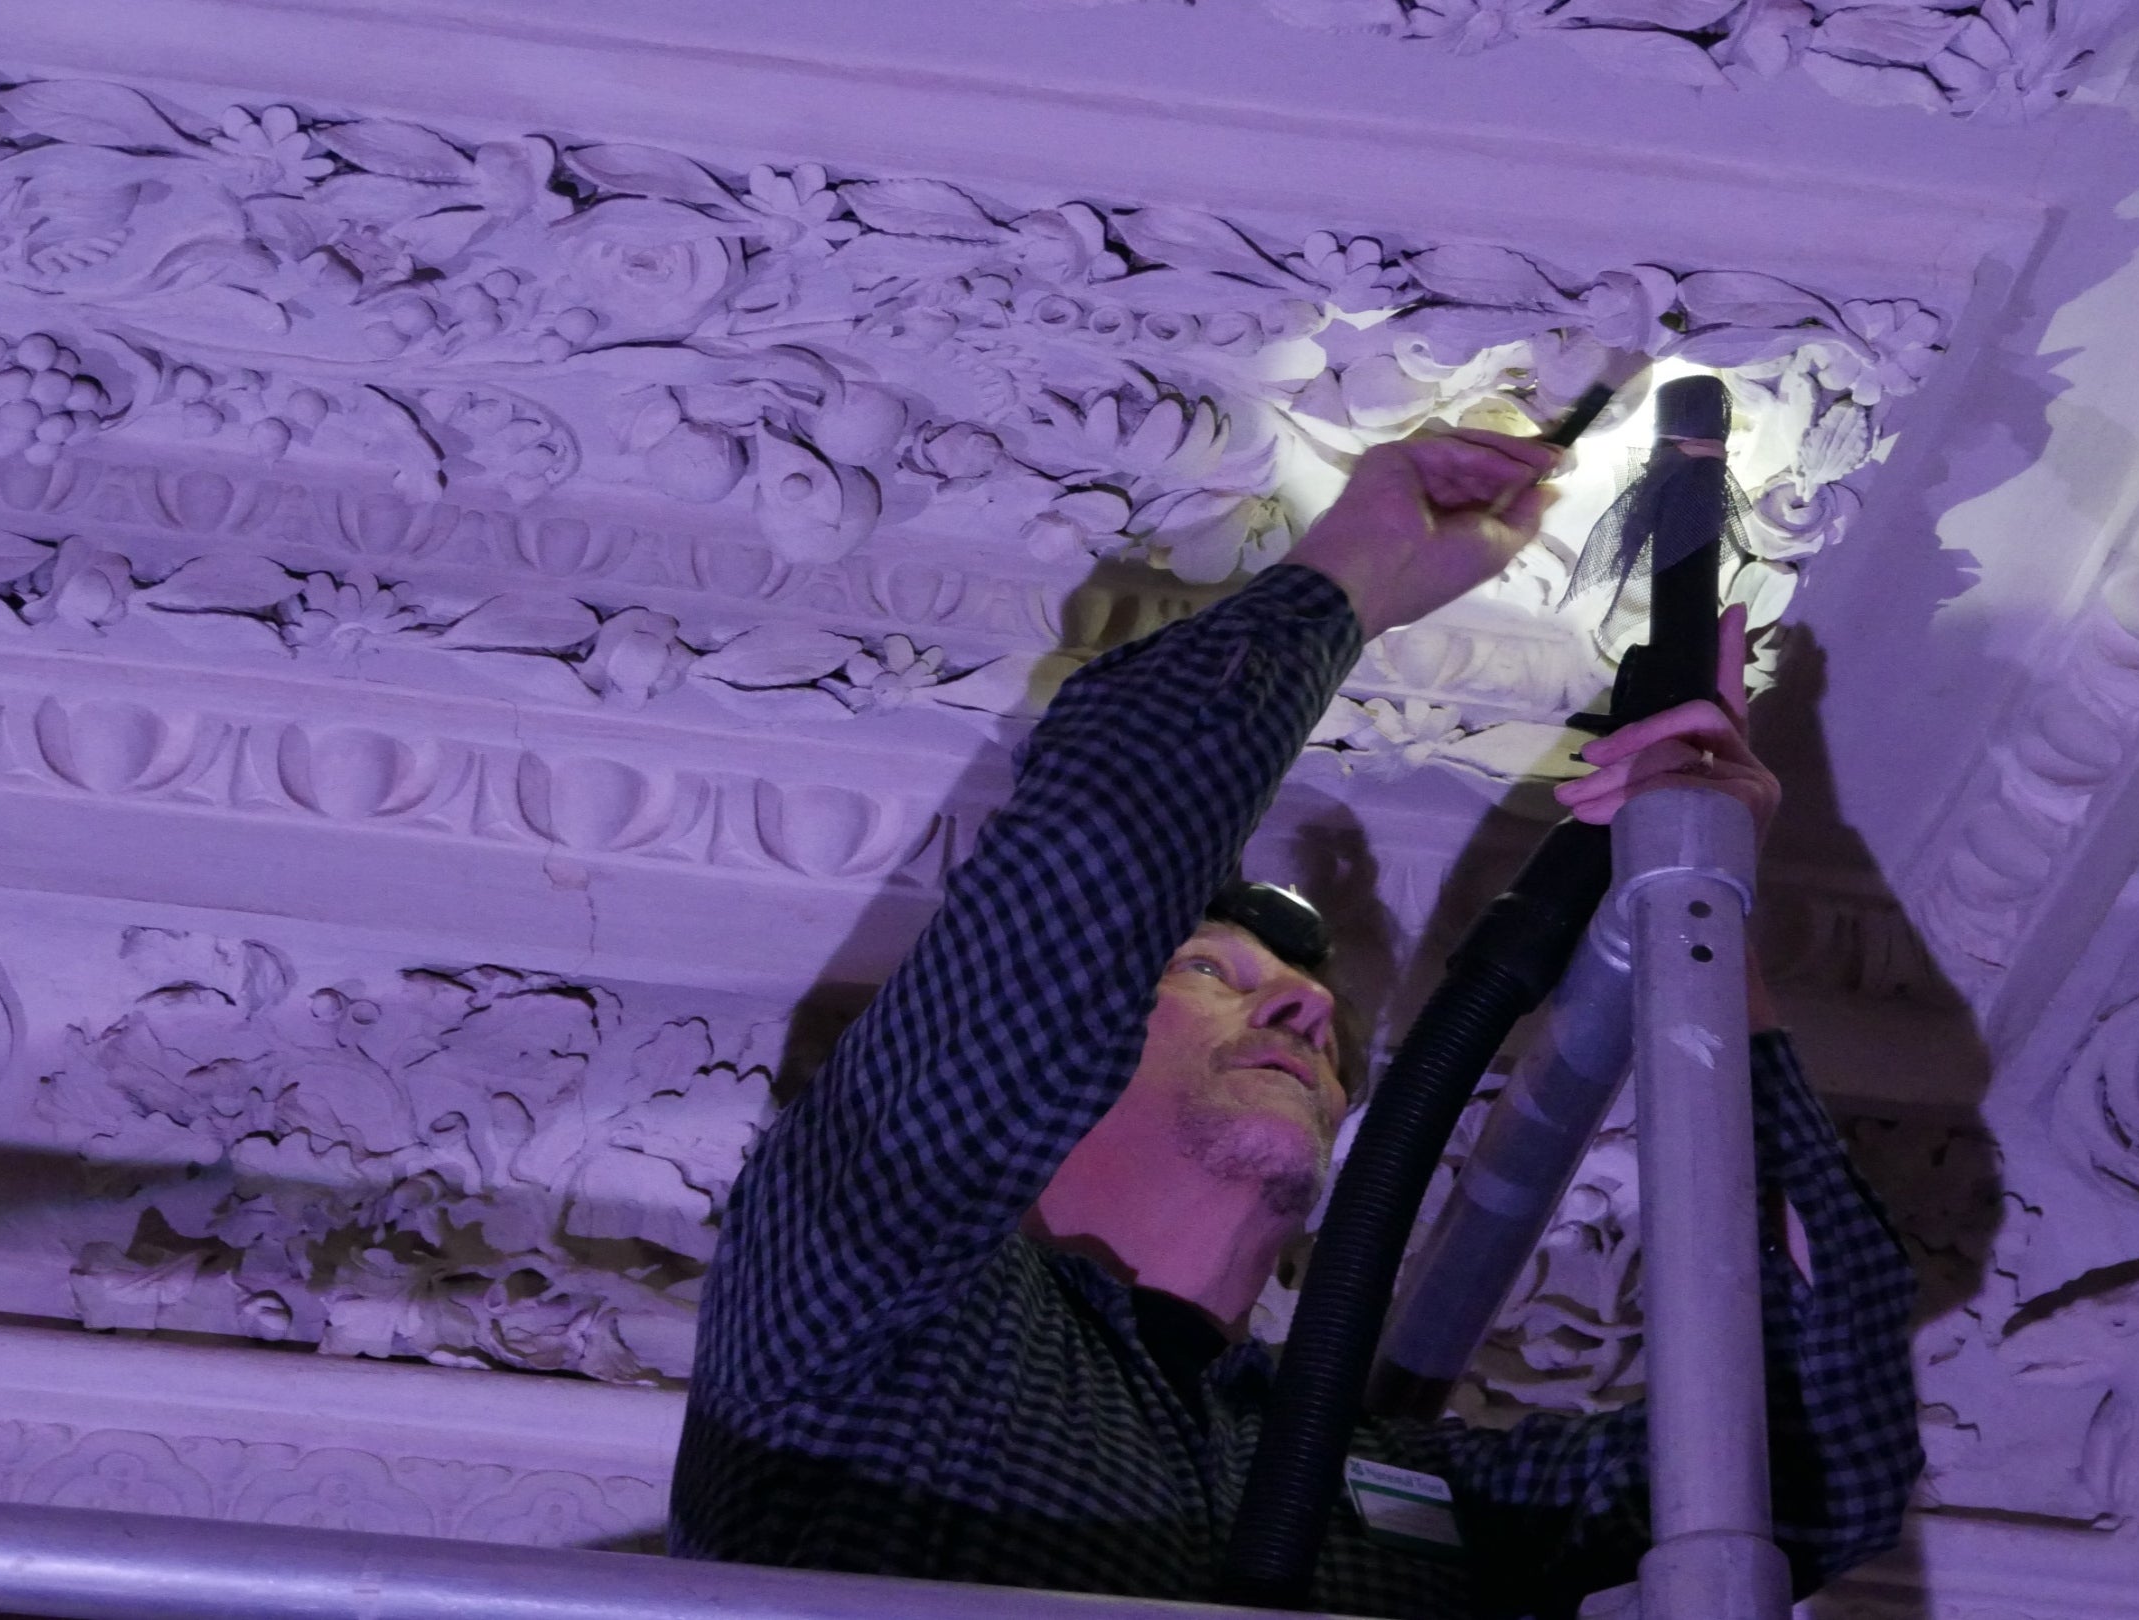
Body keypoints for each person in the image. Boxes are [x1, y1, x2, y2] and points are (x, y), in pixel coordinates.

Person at [671, 427, 1921, 1618]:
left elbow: (1823, 1459)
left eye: (1306, 998)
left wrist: (1698, 908)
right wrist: (1354, 572)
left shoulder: (1398, 1483)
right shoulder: (865, 1294)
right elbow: (1087, 864)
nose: (1307, 1001)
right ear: (1087, 1034)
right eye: (1208, 968)